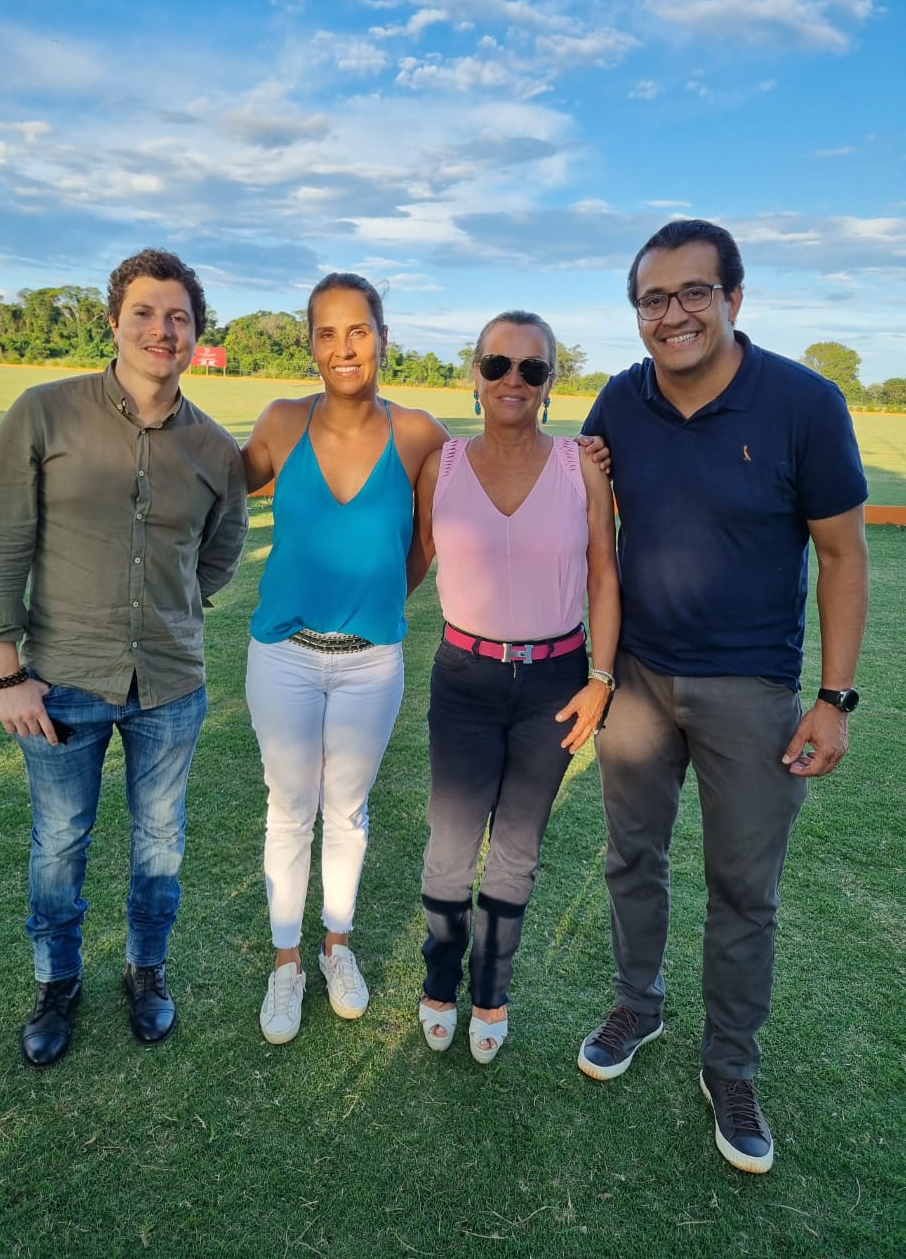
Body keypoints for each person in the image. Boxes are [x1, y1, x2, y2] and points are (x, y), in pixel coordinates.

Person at [577, 219, 869, 1173]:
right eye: (653, 299)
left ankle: (730, 1064)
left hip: (753, 688)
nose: (674, 314)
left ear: (735, 298)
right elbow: (590, 534)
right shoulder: (617, 405)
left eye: (694, 292)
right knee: (633, 856)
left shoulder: (804, 403)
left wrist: (834, 698)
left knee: (744, 889)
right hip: (640, 684)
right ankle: (638, 1002)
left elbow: (841, 554)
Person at [0, 248, 249, 1067]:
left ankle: (145, 972)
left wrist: (177, 608)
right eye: (146, 314)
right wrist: (5, 668)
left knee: (161, 841)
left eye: (179, 317)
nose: (163, 330)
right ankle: (57, 981)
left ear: (198, 333)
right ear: (114, 322)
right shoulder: (44, 412)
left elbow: (221, 556)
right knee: (59, 842)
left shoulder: (215, 448)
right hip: (60, 681)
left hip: (170, 684)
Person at [407, 310, 620, 1064]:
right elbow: (418, 557)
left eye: (533, 368)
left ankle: (490, 993)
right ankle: (438, 984)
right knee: (450, 847)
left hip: (555, 683)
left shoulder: (580, 465)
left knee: (517, 851)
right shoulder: (443, 464)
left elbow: (603, 572)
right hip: (463, 677)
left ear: (551, 383)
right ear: (474, 371)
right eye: (498, 364)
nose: (513, 380)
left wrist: (600, 679)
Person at [242, 272, 449, 1045]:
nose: (343, 347)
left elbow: (432, 532)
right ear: (310, 346)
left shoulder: (421, 432)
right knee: (289, 809)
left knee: (348, 812)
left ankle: (337, 948)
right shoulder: (282, 421)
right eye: (326, 333)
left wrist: (385, 602)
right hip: (285, 657)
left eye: (357, 330)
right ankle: (287, 962)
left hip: (371, 662)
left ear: (383, 337)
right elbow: (215, 485)